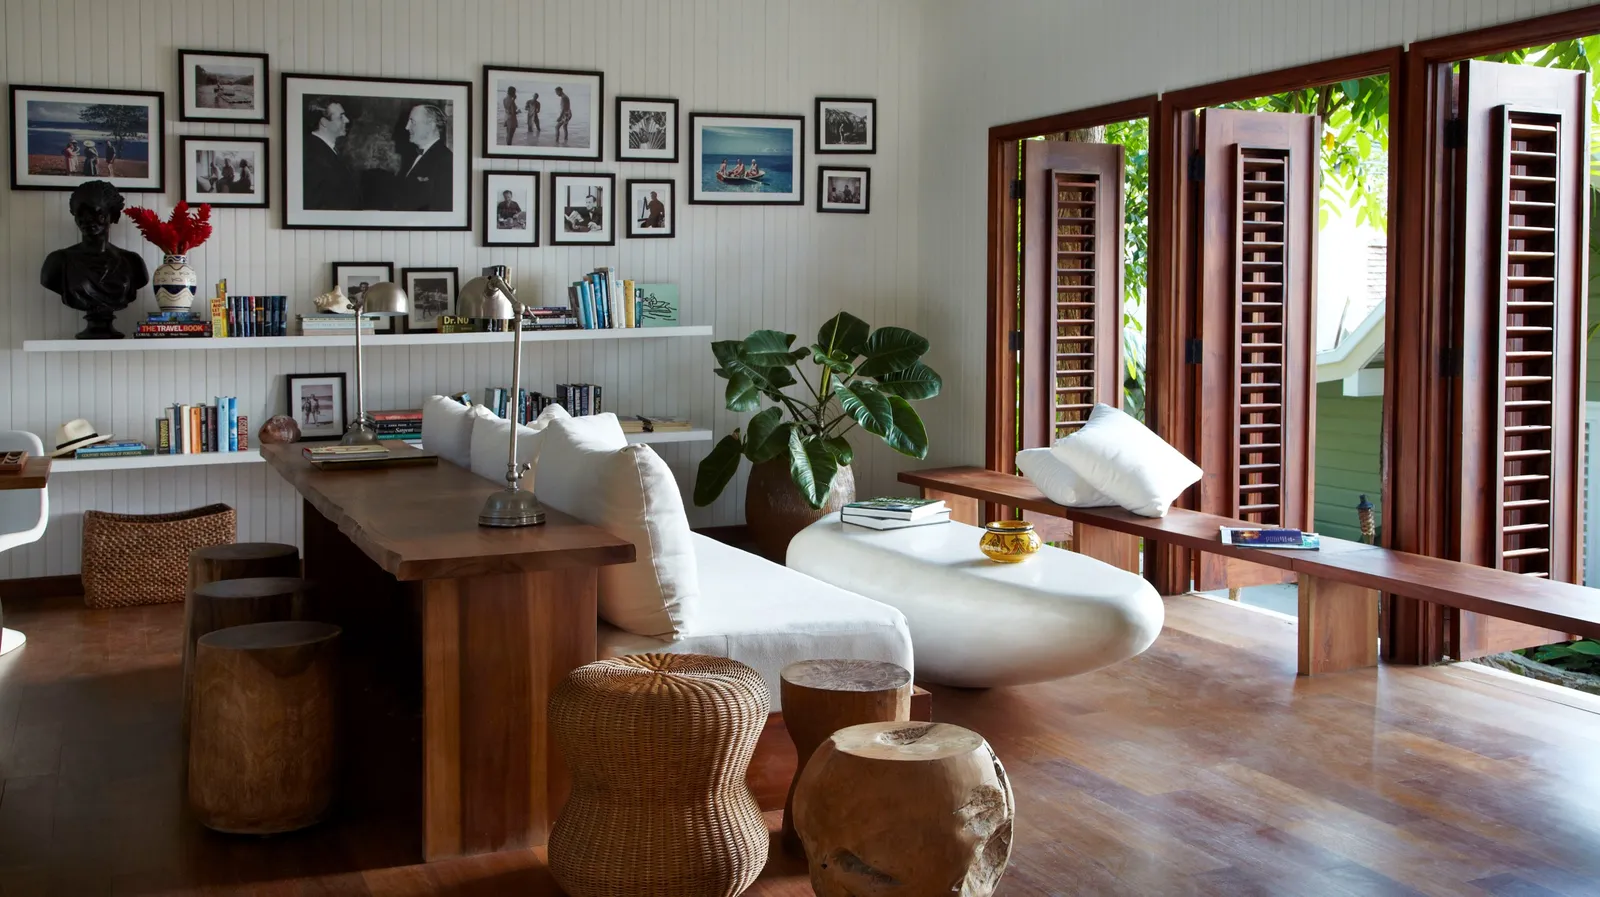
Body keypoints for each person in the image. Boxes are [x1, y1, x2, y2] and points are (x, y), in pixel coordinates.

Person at [39, 180, 151, 339]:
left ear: (112, 215)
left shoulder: (132, 263)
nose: (87, 220)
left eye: (96, 214)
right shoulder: (57, 262)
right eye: (80, 214)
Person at [303, 97, 359, 209]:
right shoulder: (313, 156)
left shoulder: (325, 149)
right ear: (324, 122)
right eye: (341, 117)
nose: (347, 120)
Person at [399, 103, 452, 212]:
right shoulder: (413, 156)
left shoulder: (446, 160)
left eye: (412, 122)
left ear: (431, 125)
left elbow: (440, 209)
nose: (407, 127)